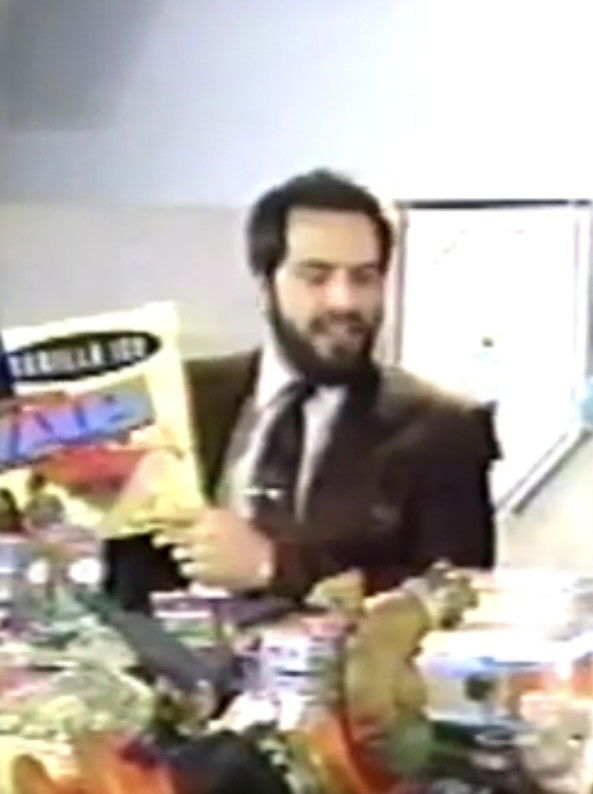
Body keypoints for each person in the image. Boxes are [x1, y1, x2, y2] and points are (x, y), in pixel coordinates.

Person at [102, 170, 499, 613]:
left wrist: (275, 566)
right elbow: (126, 570)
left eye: (364, 277)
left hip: (351, 658)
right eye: (316, 276)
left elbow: (459, 592)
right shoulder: (176, 398)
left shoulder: (442, 430)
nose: (344, 301)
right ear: (265, 285)